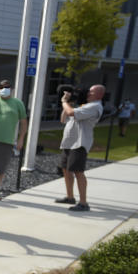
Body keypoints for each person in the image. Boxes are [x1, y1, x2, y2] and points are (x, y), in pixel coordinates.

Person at [56, 84, 104, 212]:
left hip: (80, 143)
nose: (88, 93)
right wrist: (69, 102)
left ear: (99, 94)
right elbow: (63, 118)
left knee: (78, 171)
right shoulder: (84, 106)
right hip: (69, 142)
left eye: (91, 92)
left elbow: (70, 112)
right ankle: (70, 197)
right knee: (65, 169)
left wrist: (64, 101)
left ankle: (83, 203)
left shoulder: (95, 106)